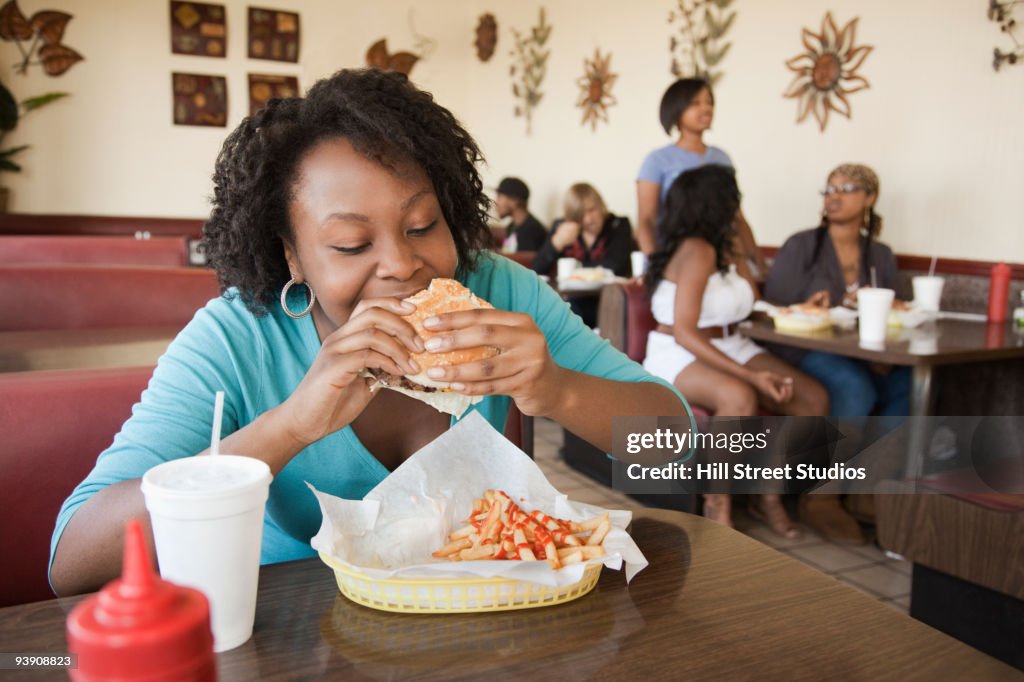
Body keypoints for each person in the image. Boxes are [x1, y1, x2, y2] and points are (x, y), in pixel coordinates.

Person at [48, 69, 686, 596]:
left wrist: (556, 389)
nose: (402, 266)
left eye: (421, 226)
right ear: (292, 256)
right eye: (350, 243)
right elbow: (74, 560)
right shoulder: (236, 336)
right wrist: (292, 425)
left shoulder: (497, 289)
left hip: (477, 614)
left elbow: (677, 443)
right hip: (287, 631)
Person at [642, 164, 829, 537]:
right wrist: (751, 374)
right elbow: (685, 331)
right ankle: (717, 504)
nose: (738, 206)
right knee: (739, 396)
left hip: (729, 341)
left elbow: (751, 299)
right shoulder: (696, 250)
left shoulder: (724, 247)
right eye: (733, 199)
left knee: (812, 398)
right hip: (679, 350)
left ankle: (767, 494)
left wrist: (802, 305)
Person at [764, 163, 910, 543]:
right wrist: (812, 306)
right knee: (854, 387)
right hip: (802, 350)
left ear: (870, 198)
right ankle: (821, 496)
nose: (834, 196)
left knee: (907, 383)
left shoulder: (881, 255)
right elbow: (775, 311)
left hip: (861, 349)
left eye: (846, 188)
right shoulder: (801, 245)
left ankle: (867, 490)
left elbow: (888, 310)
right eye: (829, 189)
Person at [636, 78, 766, 276]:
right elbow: (646, 220)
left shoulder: (721, 158)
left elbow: (736, 217)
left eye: (709, 102)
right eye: (696, 103)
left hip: (723, 260)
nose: (706, 108)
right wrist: (655, 265)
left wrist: (758, 261)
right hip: (676, 261)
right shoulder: (657, 161)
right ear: (676, 109)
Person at [532, 183, 633, 327]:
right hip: (570, 300)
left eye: (592, 210)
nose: (588, 219)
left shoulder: (618, 225)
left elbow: (617, 265)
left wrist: (575, 269)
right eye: (580, 215)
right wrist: (556, 243)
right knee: (564, 309)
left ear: (601, 205)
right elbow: (537, 269)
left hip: (606, 300)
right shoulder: (561, 227)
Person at [494, 176, 547, 252]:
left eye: (499, 197)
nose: (496, 203)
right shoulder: (511, 227)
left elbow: (526, 261)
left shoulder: (531, 230)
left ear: (514, 200)